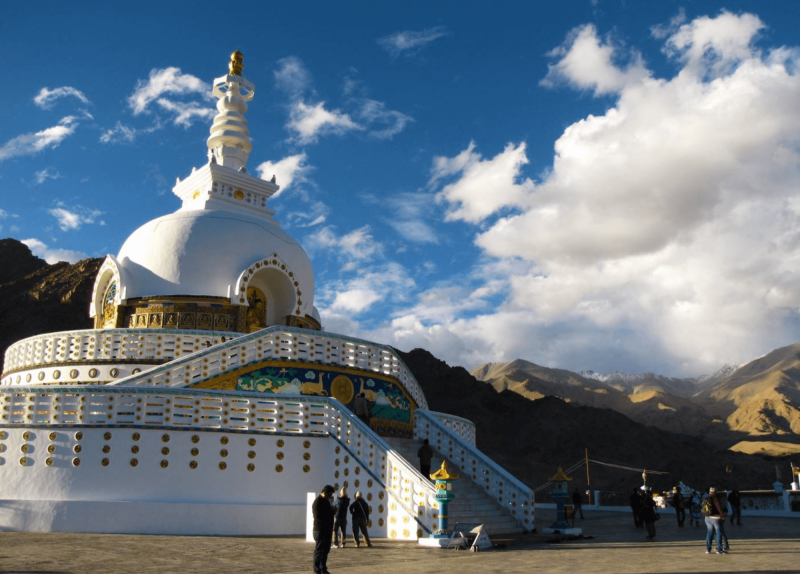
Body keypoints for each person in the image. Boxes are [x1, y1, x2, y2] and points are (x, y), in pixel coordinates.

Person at [312, 484, 335, 574]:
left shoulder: (326, 501)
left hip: (327, 529)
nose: (330, 497)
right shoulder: (318, 502)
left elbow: (328, 513)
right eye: (329, 494)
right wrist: (331, 512)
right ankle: (317, 569)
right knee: (319, 550)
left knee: (325, 550)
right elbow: (319, 516)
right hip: (320, 529)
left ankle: (323, 568)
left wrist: (332, 511)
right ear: (324, 492)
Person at [703, 486, 729, 554]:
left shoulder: (706, 498)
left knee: (709, 533)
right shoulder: (715, 498)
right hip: (715, 518)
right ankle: (719, 549)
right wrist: (722, 516)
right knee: (718, 533)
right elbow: (719, 508)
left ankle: (708, 549)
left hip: (707, 518)